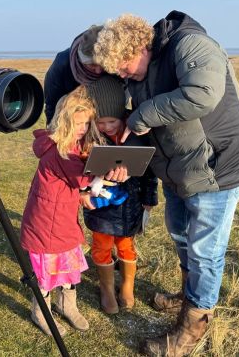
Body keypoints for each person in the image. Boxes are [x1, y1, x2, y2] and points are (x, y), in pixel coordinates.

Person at [93, 12, 239, 356]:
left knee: (204, 253)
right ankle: (188, 296)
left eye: (123, 66)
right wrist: (124, 158)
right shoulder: (139, 75)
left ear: (140, 45)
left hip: (217, 168)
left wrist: (139, 116)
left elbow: (202, 95)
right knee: (181, 236)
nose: (122, 75)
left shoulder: (190, 44)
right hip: (178, 171)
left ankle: (191, 330)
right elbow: (155, 126)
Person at [19, 86, 101, 336]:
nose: (82, 129)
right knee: (48, 269)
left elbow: (69, 186)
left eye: (87, 124)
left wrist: (81, 195)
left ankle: (66, 305)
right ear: (64, 122)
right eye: (78, 123)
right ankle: (40, 311)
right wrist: (102, 176)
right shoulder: (58, 152)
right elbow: (79, 178)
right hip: (47, 223)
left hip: (61, 217)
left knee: (68, 265)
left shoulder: (71, 147)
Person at [82, 76, 158, 315]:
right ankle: (106, 288)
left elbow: (149, 170)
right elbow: (80, 171)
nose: (107, 126)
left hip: (130, 205)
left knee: (126, 245)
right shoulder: (89, 137)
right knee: (101, 245)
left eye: (112, 120)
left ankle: (127, 286)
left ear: (122, 116)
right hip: (102, 205)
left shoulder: (138, 133)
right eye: (100, 122)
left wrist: (149, 198)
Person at [43, 24, 105, 124]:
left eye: (102, 65)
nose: (98, 71)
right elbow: (51, 104)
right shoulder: (62, 63)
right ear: (81, 60)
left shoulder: (113, 64)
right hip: (71, 122)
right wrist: (53, 131)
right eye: (91, 66)